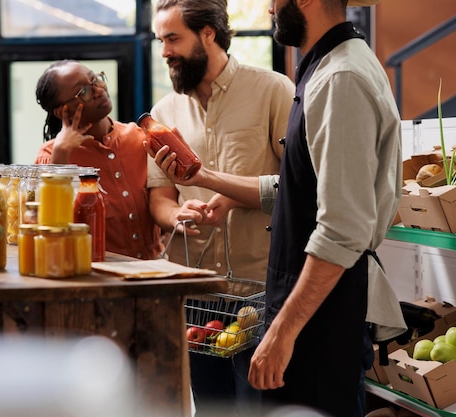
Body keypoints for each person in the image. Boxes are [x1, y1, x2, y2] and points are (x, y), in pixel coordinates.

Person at [146, 0, 408, 415]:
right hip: (294, 309)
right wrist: (207, 180)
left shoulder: (339, 78)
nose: (268, 7)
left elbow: (342, 228)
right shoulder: (326, 68)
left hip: (322, 313)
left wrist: (280, 332)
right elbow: (298, 188)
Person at [148, 0, 295, 415]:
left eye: (173, 38)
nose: (165, 51)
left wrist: (227, 195)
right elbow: (159, 197)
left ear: (208, 34)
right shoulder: (164, 113)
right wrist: (175, 215)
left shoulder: (273, 91)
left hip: (259, 295)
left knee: (259, 409)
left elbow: (299, 187)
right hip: (195, 297)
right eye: (161, 40)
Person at [35, 60, 163, 260]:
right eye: (83, 91)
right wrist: (60, 155)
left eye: (95, 79)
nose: (99, 90)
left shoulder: (139, 138)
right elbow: (49, 227)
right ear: (62, 111)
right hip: (96, 279)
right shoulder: (51, 155)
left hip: (154, 276)